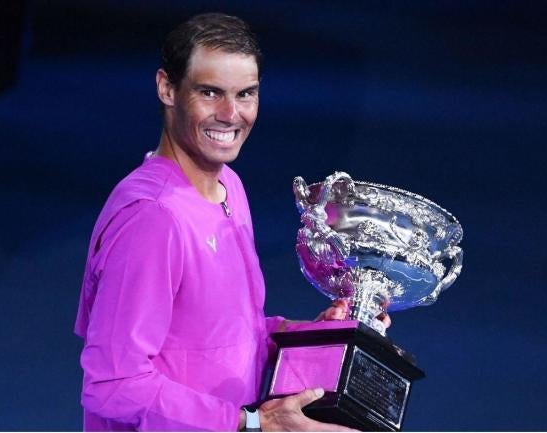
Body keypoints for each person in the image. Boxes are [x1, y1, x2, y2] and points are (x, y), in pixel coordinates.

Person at [73, 12, 388, 431]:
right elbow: (114, 384)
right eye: (210, 92)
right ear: (167, 88)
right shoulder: (153, 219)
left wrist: (313, 338)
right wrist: (252, 422)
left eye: (246, 94)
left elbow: (226, 335)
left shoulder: (229, 186)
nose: (230, 114)